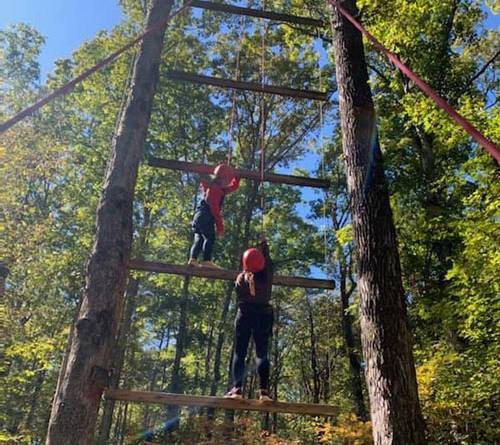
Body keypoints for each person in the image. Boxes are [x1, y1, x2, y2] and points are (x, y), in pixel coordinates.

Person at [225, 236, 274, 402]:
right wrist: (264, 245)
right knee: (262, 354)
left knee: (240, 353)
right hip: (263, 315)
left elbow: (247, 281)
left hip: (245, 314)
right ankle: (264, 392)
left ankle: (237, 389)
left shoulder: (240, 280)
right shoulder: (267, 275)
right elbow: (266, 260)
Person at [188, 164, 240, 268]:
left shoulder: (216, 187)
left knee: (199, 239)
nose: (228, 183)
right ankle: (206, 261)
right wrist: (220, 227)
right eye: (227, 180)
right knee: (210, 237)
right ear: (222, 179)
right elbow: (215, 209)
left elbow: (232, 187)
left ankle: (193, 259)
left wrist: (237, 178)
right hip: (206, 216)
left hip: (198, 217)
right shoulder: (216, 190)